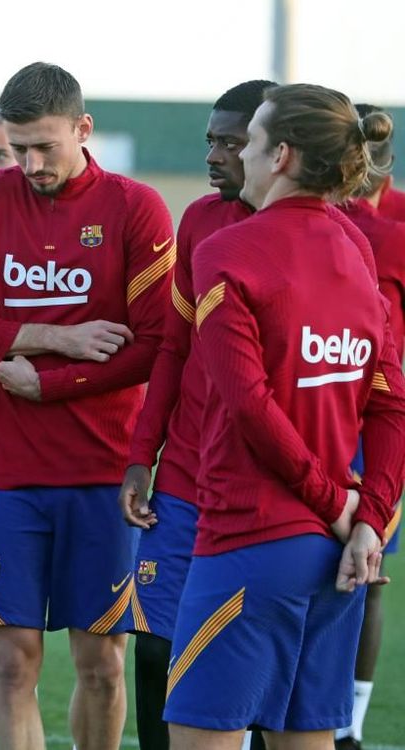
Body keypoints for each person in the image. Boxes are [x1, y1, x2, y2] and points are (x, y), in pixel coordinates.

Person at [0, 62, 175, 749]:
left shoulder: (135, 207)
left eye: (45, 146)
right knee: (11, 661)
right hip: (5, 470)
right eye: (19, 148)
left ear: (83, 129)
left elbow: (156, 346)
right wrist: (54, 337)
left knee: (101, 664)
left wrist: (52, 384)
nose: (31, 164)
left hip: (102, 470)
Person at [162, 83, 405, 750]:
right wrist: (369, 520)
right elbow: (391, 402)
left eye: (254, 139)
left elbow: (250, 406)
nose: (240, 153)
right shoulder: (357, 250)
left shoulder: (228, 251)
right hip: (337, 557)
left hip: (248, 541)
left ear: (282, 155)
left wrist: (338, 505)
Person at [119, 79, 275, 750]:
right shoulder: (200, 221)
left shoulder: (326, 234)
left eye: (231, 143)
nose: (214, 156)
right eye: (210, 141)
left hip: (265, 489)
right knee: (156, 646)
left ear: (275, 148)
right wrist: (141, 456)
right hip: (183, 477)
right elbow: (173, 348)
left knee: (261, 662)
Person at [332, 103, 405, 750]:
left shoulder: (393, 230)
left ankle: (346, 725)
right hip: (326, 415)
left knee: (365, 572)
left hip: (368, 416)